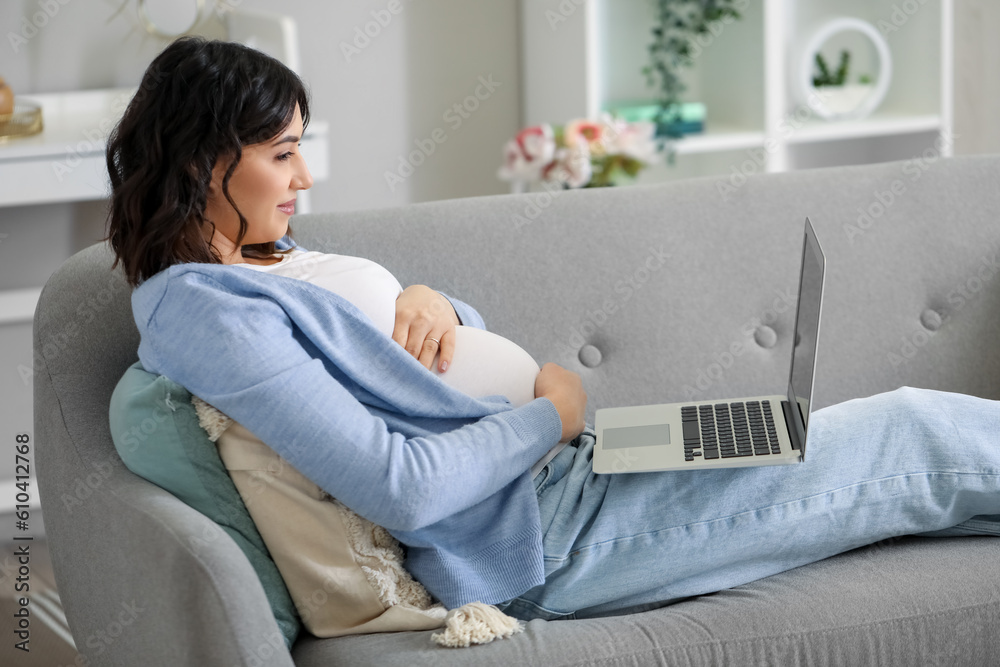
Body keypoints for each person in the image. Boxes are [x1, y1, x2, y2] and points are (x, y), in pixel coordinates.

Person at [107, 37, 1000, 624]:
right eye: (282, 153)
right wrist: (555, 411)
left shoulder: (264, 258)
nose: (305, 174)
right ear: (202, 161)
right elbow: (402, 487)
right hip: (550, 531)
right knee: (912, 430)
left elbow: (413, 366)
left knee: (924, 476)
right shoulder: (198, 308)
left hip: (575, 478)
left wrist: (440, 304)